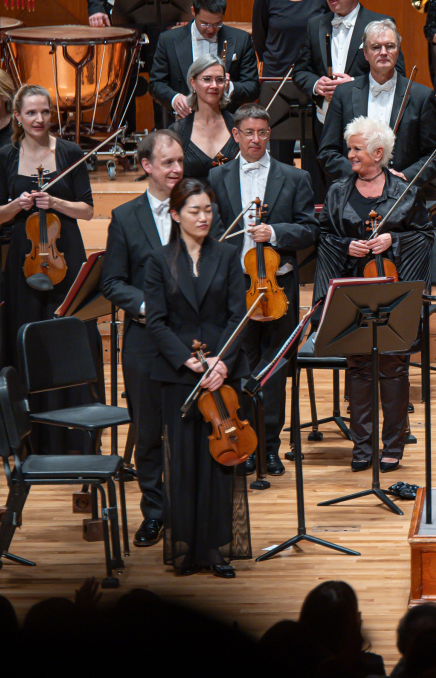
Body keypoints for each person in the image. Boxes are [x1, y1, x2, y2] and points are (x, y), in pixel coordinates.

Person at [314, 117, 435, 472]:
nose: (349, 154)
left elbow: (426, 236)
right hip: (352, 292)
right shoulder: (337, 192)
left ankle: (394, 443)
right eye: (349, 147)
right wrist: (344, 245)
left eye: (356, 148)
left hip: (393, 291)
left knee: (394, 369)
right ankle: (362, 444)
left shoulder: (405, 192)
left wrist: (393, 240)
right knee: (359, 369)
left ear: (377, 153)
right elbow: (322, 238)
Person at [143, 177, 250, 577]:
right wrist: (188, 361)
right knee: (184, 461)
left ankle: (216, 547)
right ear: (175, 214)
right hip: (179, 376)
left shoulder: (227, 254)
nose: (204, 217)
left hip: (222, 373)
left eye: (208, 210)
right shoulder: (157, 260)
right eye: (194, 211)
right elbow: (155, 322)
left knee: (220, 461)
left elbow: (238, 316)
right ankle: (187, 546)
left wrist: (220, 361)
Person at [208, 105, 316, 476]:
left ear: (270, 134)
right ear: (235, 135)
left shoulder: (294, 177)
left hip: (276, 289)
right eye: (248, 133)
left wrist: (275, 233)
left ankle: (270, 447)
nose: (256, 140)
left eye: (262, 133)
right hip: (234, 289)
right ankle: (245, 442)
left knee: (274, 371)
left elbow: (309, 229)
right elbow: (211, 234)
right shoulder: (217, 178)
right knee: (240, 370)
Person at [0, 85, 95, 452]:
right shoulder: (7, 155)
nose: (39, 120)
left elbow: (87, 209)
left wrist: (55, 202)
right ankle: (30, 435)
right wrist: (17, 205)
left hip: (65, 255)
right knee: (26, 337)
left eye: (45, 112)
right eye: (31, 113)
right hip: (23, 261)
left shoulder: (70, 152)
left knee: (66, 337)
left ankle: (73, 433)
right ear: (17, 117)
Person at [100, 128, 186, 548]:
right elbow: (113, 283)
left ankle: (190, 512)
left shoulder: (198, 208)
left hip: (193, 342)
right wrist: (150, 305)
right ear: (147, 165)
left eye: (180, 162)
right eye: (168, 162)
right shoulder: (125, 217)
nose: (176, 169)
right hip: (145, 342)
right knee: (149, 433)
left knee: (188, 430)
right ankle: (154, 512)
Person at [292, 0, 405, 200]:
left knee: (366, 193)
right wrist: (315, 84)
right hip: (326, 125)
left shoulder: (379, 24)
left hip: (366, 124)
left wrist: (353, 85)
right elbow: (300, 71)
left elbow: (399, 74)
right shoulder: (315, 25)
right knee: (327, 195)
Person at [318, 20, 436, 190]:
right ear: (365, 53)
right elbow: (327, 152)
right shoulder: (343, 94)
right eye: (376, 47)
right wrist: (359, 175)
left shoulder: (420, 96)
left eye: (390, 46)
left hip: (402, 195)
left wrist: (405, 177)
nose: (384, 52)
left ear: (398, 51)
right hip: (354, 193)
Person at [149, 0, 260, 129]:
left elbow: (252, 87)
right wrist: (174, 98)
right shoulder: (168, 40)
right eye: (205, 23)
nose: (211, 30)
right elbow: (155, 84)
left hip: (226, 125)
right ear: (193, 11)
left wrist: (229, 87)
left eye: (217, 24)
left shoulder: (241, 39)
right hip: (182, 124)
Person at [170, 54, 238, 179]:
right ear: (193, 83)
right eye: (207, 79)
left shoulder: (238, 126)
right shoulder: (177, 132)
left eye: (219, 80)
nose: (214, 85)